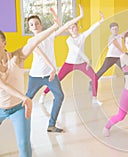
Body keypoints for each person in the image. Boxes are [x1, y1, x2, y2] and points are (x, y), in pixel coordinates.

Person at [0, 8, 59, 157]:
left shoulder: (17, 58)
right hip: (1, 107)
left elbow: (33, 41)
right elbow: (3, 85)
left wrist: (54, 26)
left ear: (4, 43)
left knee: (24, 147)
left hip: (18, 108)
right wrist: (24, 97)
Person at [26, 5, 84, 133]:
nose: (34, 26)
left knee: (59, 96)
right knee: (26, 99)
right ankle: (19, 123)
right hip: (35, 76)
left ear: (41, 25)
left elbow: (64, 26)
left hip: (50, 75)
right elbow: (42, 54)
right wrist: (53, 67)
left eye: (36, 23)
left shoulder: (49, 36)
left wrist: (80, 16)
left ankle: (51, 125)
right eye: (31, 24)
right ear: (29, 28)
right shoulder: (31, 40)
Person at [39, 9, 104, 106]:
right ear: (68, 31)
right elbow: (76, 50)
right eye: (71, 28)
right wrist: (87, 59)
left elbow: (91, 29)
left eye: (74, 27)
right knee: (58, 79)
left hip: (81, 63)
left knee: (94, 77)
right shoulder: (69, 40)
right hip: (70, 63)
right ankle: (44, 94)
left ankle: (94, 98)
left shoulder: (82, 36)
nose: (73, 29)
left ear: (77, 27)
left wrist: (101, 21)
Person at [91, 17, 128, 88]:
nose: (115, 30)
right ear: (110, 30)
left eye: (116, 28)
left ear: (118, 29)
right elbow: (116, 44)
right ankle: (92, 83)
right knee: (102, 71)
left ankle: (127, 87)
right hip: (110, 57)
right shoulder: (111, 37)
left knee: (126, 70)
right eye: (113, 29)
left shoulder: (119, 35)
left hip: (118, 58)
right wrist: (123, 53)